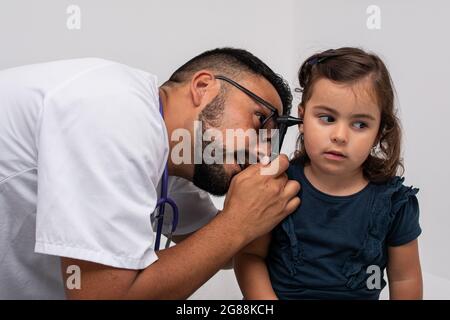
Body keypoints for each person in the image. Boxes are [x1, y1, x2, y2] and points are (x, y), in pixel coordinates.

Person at [0, 48, 301, 299]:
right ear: (203, 87)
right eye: (260, 120)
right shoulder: (114, 110)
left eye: (272, 140)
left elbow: (220, 244)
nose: (262, 151)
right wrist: (239, 222)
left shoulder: (169, 160)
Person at [234, 47, 423, 300]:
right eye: (327, 118)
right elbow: (250, 257)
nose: (340, 136)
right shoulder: (276, 186)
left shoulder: (394, 203)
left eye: (360, 124)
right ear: (302, 118)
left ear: (379, 132)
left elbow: (404, 278)